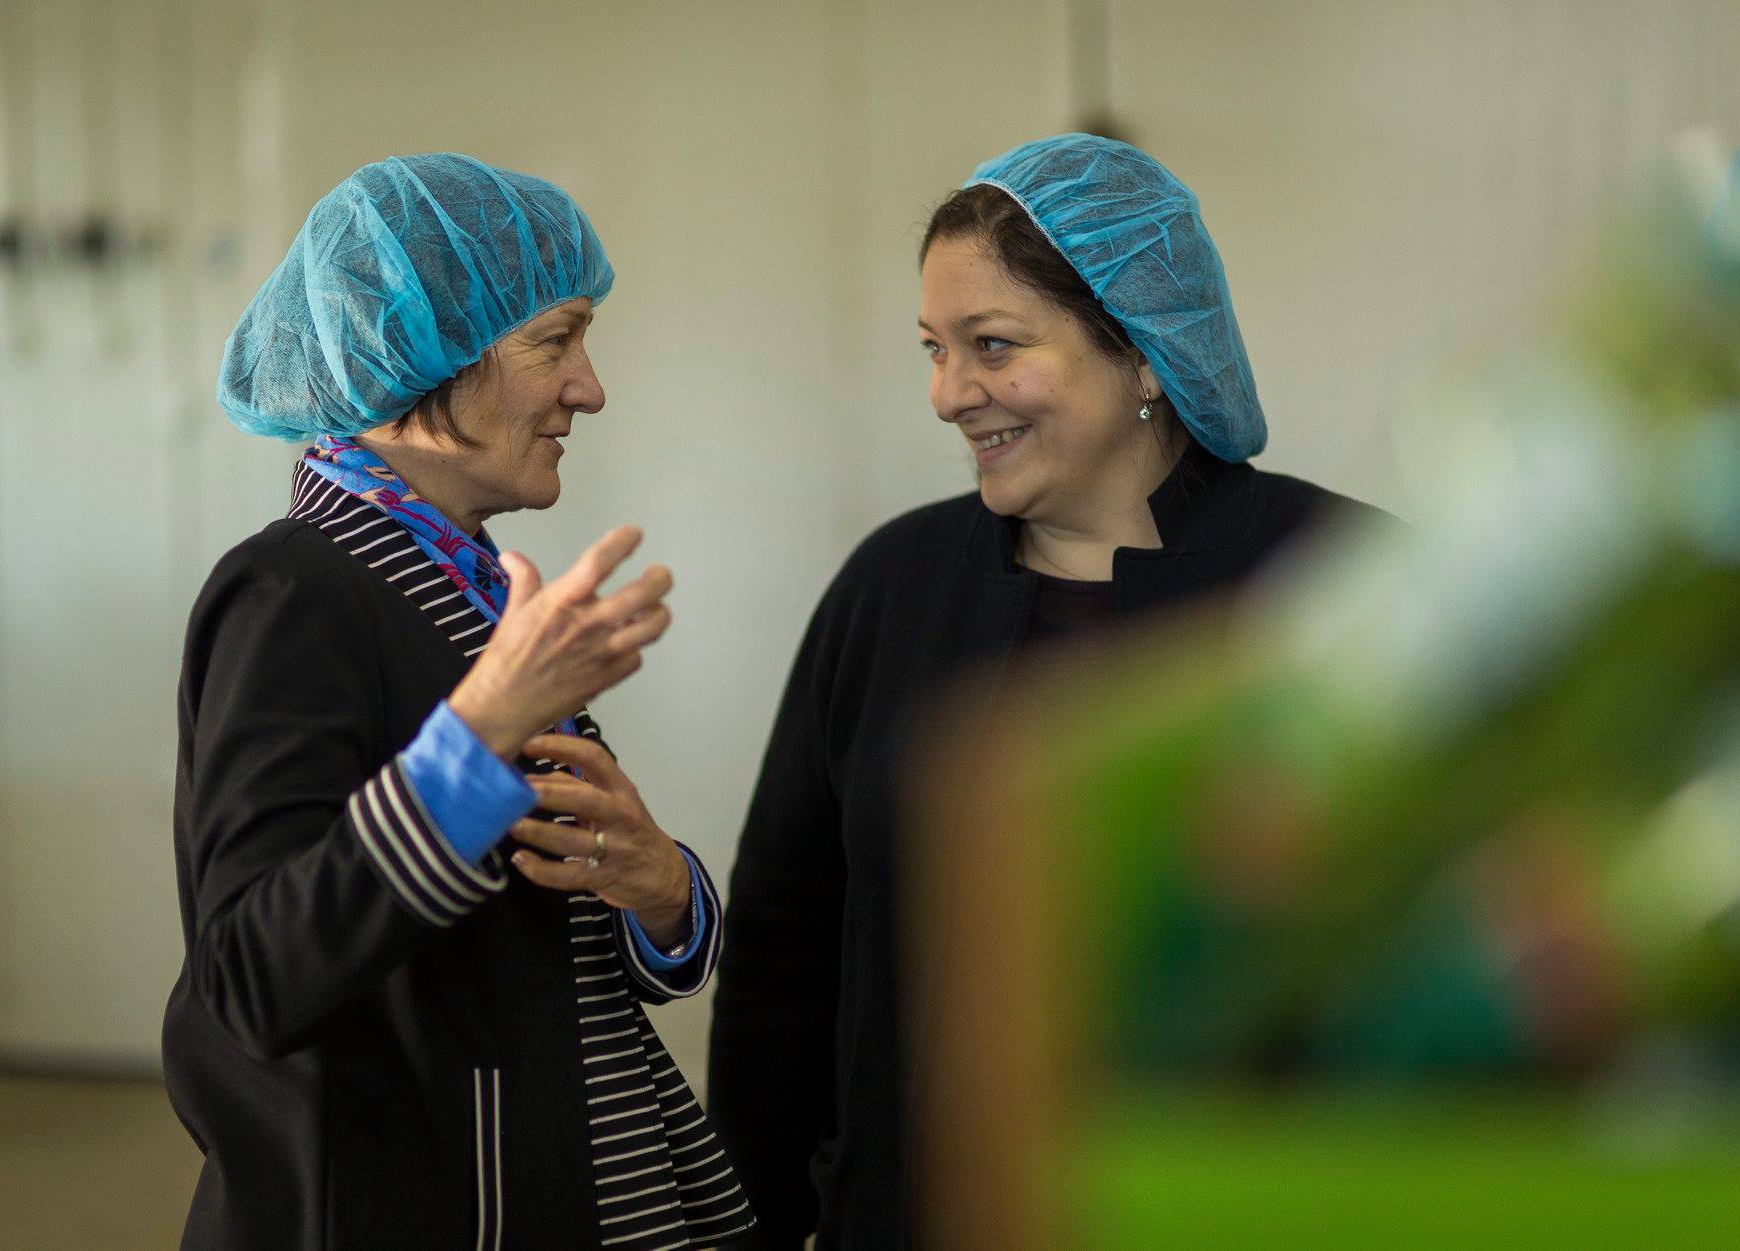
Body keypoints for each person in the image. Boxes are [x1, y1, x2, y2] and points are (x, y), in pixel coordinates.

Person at [707, 133, 1388, 1248]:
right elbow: (785, 956)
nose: (947, 394)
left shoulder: (1341, 585)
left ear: (1145, 353)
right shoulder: (892, 589)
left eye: (992, 344)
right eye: (933, 349)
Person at [165, 154, 753, 1250]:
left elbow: (541, 933)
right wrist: (482, 733)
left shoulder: (465, 584)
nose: (589, 387)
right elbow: (248, 979)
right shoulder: (293, 590)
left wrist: (661, 890)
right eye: (554, 340)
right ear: (423, 346)